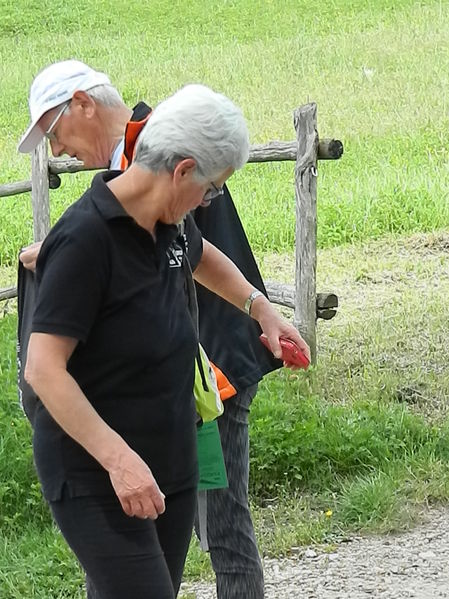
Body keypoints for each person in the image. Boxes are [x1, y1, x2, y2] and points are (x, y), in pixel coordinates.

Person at [18, 60, 295, 598]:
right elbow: (44, 371)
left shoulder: (167, 224)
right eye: (212, 189)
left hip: (167, 462)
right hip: (98, 471)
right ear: (182, 170)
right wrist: (121, 463)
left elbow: (202, 254)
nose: (209, 202)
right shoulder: (85, 240)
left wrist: (261, 308)